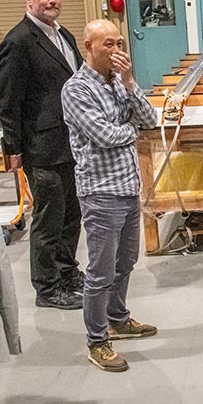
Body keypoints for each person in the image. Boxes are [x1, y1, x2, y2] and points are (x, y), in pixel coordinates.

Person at [61, 20, 159, 372]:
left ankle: (118, 318)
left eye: (119, 42)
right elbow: (103, 135)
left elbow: (150, 120)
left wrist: (131, 84)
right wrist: (130, 129)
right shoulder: (75, 90)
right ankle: (97, 341)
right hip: (100, 191)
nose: (116, 50)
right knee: (100, 271)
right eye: (107, 44)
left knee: (126, 261)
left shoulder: (120, 83)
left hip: (128, 187)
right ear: (89, 46)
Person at [0, 0, 84, 310]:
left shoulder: (65, 36)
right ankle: (47, 288)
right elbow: (8, 100)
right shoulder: (19, 41)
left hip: (71, 143)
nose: (52, 1)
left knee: (71, 215)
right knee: (48, 219)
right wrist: (13, 149)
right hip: (41, 147)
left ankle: (67, 271)